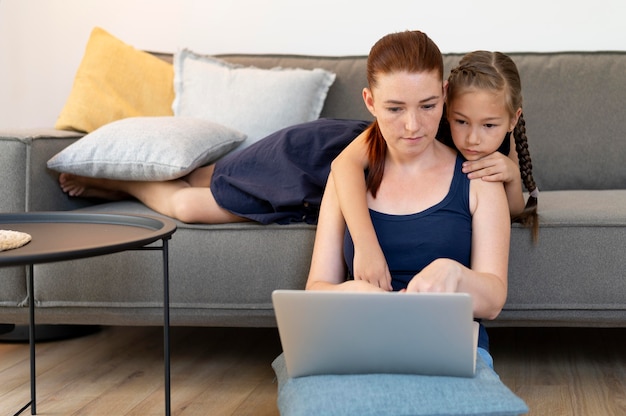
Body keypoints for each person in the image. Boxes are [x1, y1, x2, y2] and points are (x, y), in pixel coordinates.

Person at [305, 30, 510, 365]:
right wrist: (352, 294)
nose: (413, 125)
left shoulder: (478, 178)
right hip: (357, 340)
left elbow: (493, 301)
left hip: (448, 347)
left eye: (427, 106)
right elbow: (316, 290)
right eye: (395, 108)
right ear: (370, 102)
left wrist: (454, 274)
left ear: (444, 95)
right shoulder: (348, 178)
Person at [330, 49, 538, 291]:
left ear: (512, 121)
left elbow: (512, 210)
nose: (473, 139)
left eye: (489, 125)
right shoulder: (418, 126)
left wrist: (512, 176)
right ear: (447, 106)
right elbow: (343, 164)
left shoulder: (500, 144)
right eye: (461, 122)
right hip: (344, 147)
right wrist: (366, 247)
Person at [58, 117, 370, 224]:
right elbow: (345, 165)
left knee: (187, 205)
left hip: (311, 193)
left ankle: (122, 186)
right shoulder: (390, 129)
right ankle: (119, 176)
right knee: (197, 177)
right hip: (308, 153)